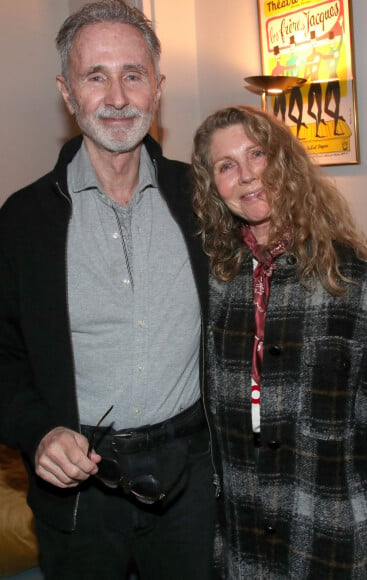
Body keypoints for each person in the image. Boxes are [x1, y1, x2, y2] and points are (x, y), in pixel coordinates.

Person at [0, 1, 216, 578]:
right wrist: (37, 431)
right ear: (68, 93)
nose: (117, 96)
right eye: (95, 76)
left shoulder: (201, 200)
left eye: (133, 74)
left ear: (158, 88)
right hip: (80, 492)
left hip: (192, 480)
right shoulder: (22, 221)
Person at [191, 105, 367, 579]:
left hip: (328, 528)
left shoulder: (347, 281)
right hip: (241, 533)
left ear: (283, 161)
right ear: (214, 187)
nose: (248, 176)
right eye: (226, 166)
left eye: (257, 154)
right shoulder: (213, 282)